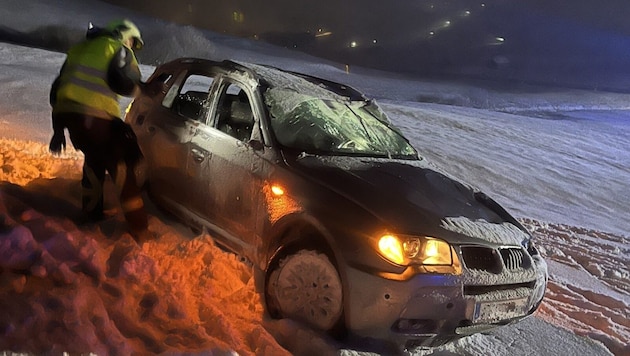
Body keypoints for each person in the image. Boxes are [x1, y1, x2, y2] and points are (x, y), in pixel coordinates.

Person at [48, 19, 151, 243]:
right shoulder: (115, 48)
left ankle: (91, 214)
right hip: (96, 119)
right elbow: (118, 81)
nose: (132, 46)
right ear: (125, 34)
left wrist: (58, 130)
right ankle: (140, 229)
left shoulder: (79, 49)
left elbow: (57, 89)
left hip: (71, 121)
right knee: (122, 168)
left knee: (94, 159)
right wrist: (144, 90)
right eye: (132, 41)